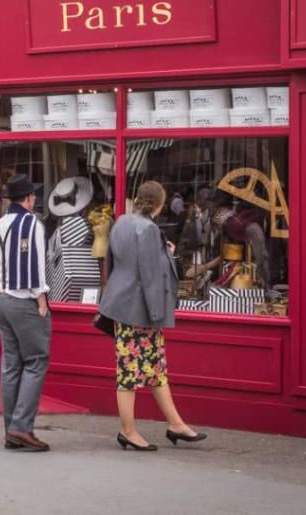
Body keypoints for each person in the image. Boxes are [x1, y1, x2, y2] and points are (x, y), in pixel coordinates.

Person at [99, 181, 206, 451]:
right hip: (140, 309)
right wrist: (169, 256)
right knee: (130, 373)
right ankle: (128, 431)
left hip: (124, 303)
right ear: (158, 203)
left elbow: (113, 262)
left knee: (155, 369)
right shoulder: (148, 229)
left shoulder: (121, 221)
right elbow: (149, 274)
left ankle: (175, 424)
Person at [0, 174, 51, 452]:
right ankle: (21, 428)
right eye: (33, 196)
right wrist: (41, 298)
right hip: (23, 299)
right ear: (28, 198)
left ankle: (11, 429)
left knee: (11, 365)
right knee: (36, 361)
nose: (35, 199)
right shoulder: (30, 223)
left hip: (1, 300)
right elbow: (33, 262)